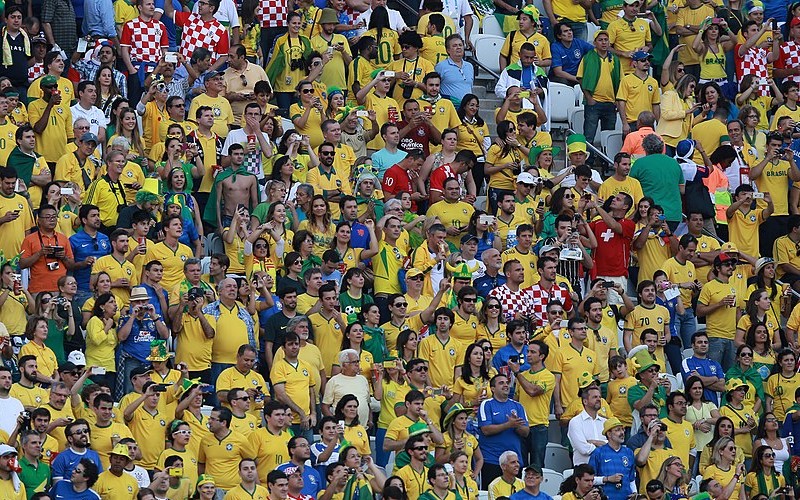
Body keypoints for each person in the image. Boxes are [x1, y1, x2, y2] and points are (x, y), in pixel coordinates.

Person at [477, 374, 528, 488]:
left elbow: (526, 432)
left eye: (507, 382)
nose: (505, 385)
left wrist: (515, 425)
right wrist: (508, 424)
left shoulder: (518, 406)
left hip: (514, 462)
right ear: (493, 389)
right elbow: (485, 430)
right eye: (501, 383)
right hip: (492, 460)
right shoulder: (487, 404)